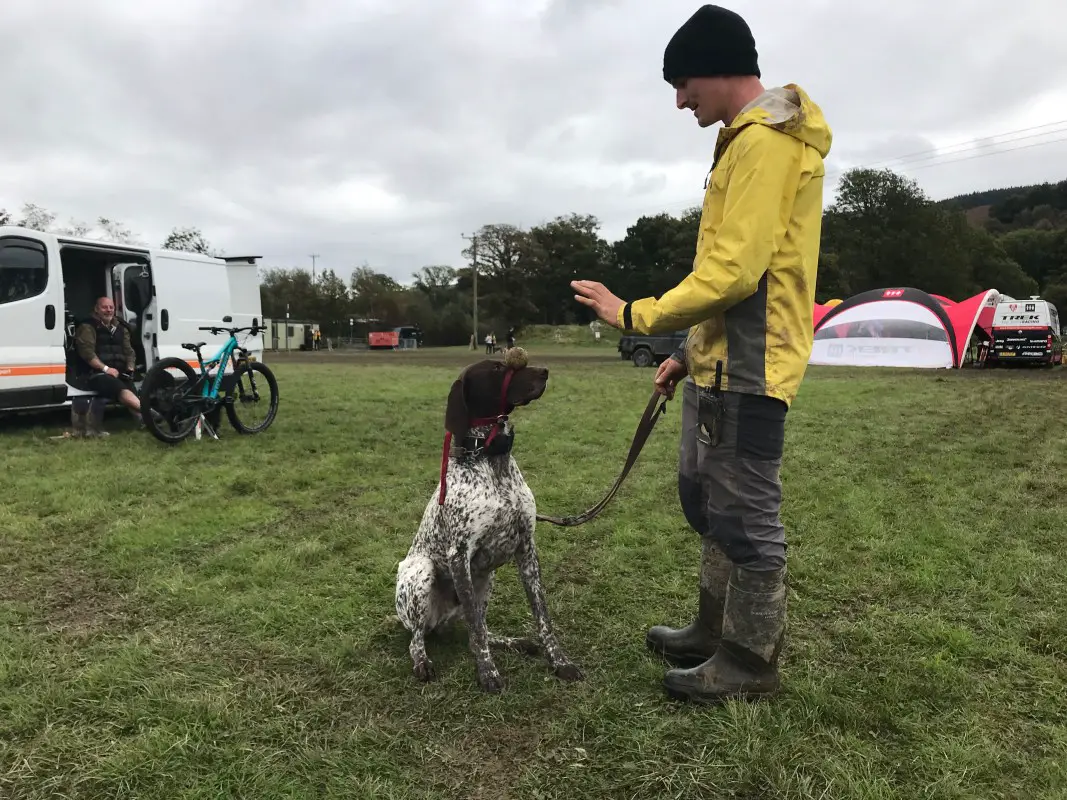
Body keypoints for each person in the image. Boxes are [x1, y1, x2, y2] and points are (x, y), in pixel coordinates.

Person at [571, 4, 832, 705]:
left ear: (719, 69)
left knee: (747, 519)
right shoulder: (741, 143)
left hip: (751, 369)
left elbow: (735, 274)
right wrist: (687, 353)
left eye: (683, 82)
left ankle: (749, 662)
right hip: (715, 363)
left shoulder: (767, 143)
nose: (679, 99)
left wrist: (631, 314)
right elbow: (733, 268)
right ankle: (711, 631)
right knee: (705, 501)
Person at [74, 296, 147, 433]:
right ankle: (150, 414)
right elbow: (87, 353)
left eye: (111, 307)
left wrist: (130, 367)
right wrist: (106, 368)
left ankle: (144, 420)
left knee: (129, 384)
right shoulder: (87, 327)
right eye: (104, 307)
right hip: (95, 373)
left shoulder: (121, 327)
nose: (108, 310)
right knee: (118, 387)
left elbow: (129, 351)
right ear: (96, 309)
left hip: (119, 371)